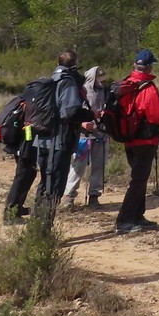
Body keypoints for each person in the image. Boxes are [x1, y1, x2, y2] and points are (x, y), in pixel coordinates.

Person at [33, 50, 95, 223]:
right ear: (74, 64)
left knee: (45, 183)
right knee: (54, 186)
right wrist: (90, 115)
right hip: (59, 142)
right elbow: (70, 112)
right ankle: (43, 230)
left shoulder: (51, 79)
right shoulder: (67, 82)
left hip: (43, 139)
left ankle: (36, 224)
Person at [113, 49, 159, 235]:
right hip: (145, 140)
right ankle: (124, 220)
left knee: (139, 179)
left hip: (129, 138)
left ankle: (138, 216)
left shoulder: (126, 83)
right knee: (138, 181)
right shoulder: (147, 88)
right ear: (149, 66)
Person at [61, 66, 110, 209]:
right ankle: (68, 196)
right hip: (83, 136)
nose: (102, 82)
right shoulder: (80, 91)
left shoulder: (106, 92)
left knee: (99, 167)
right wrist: (82, 123)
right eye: (99, 79)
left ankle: (94, 196)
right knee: (78, 166)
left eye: (103, 79)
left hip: (101, 134)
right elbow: (72, 112)